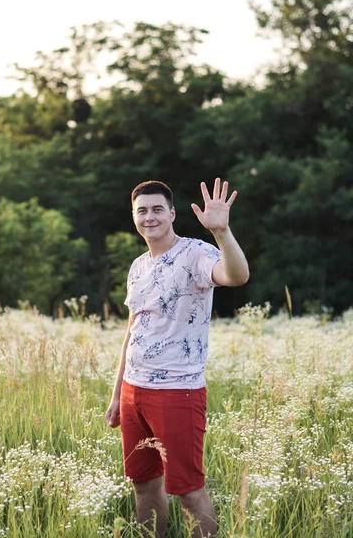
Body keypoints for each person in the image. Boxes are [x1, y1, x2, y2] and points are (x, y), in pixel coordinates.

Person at [106, 178, 249, 538]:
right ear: (133, 217)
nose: (149, 217)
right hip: (133, 390)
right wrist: (117, 394)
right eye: (142, 211)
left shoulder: (196, 254)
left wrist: (222, 231)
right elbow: (133, 329)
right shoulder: (138, 266)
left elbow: (236, 275)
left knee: (186, 489)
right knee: (143, 484)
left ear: (171, 213)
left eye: (157, 209)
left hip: (177, 391)